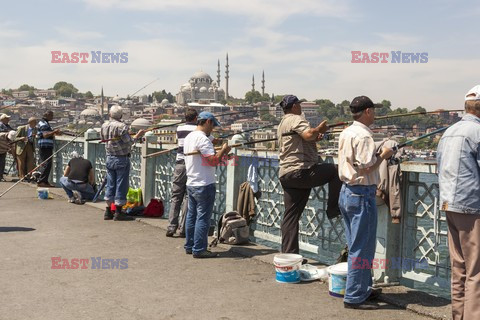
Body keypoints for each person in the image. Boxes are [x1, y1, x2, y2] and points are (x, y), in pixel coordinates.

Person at [337, 96, 394, 310]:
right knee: (362, 248)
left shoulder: (346, 132)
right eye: (374, 111)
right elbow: (367, 166)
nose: (375, 115)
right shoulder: (364, 136)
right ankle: (354, 296)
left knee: (355, 245)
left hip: (346, 192)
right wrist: (384, 155)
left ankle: (362, 287)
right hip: (361, 194)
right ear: (368, 111)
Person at [277, 94, 342, 254]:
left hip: (286, 174)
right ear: (294, 106)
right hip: (301, 171)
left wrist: (315, 136)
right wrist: (319, 129)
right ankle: (333, 208)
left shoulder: (282, 123)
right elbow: (307, 134)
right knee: (336, 170)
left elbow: (303, 139)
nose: (300, 107)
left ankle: (289, 256)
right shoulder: (296, 119)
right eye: (299, 104)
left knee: (290, 217)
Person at [437, 85, 480, 320]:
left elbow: (439, 168)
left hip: (449, 205)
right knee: (476, 271)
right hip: (472, 207)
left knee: (459, 267)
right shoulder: (478, 133)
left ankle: (459, 315)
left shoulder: (449, 132)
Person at [183, 111, 231, 258]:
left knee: (192, 215)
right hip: (204, 183)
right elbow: (213, 161)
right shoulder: (202, 139)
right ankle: (199, 249)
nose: (213, 129)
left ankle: (190, 245)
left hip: (191, 182)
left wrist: (214, 144)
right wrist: (223, 150)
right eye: (213, 125)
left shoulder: (189, 137)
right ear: (208, 121)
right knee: (203, 217)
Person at [166, 108, 216, 237]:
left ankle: (171, 226)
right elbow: (212, 140)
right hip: (191, 164)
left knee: (176, 196)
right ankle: (183, 228)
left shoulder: (180, 129)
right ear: (195, 119)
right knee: (189, 198)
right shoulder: (198, 133)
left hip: (179, 164)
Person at [101, 105, 145, 221]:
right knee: (121, 184)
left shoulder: (104, 125)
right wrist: (138, 135)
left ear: (110, 114)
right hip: (121, 158)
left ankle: (108, 211)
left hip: (109, 157)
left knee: (110, 184)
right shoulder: (122, 127)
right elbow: (129, 142)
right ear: (120, 115)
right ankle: (118, 212)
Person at [36, 110, 60, 187]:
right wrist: (54, 132)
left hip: (47, 146)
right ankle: (41, 181)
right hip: (44, 146)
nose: (52, 117)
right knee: (47, 163)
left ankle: (45, 181)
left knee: (47, 163)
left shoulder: (46, 123)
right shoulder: (43, 123)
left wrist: (53, 132)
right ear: (47, 115)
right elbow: (45, 135)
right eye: (51, 115)